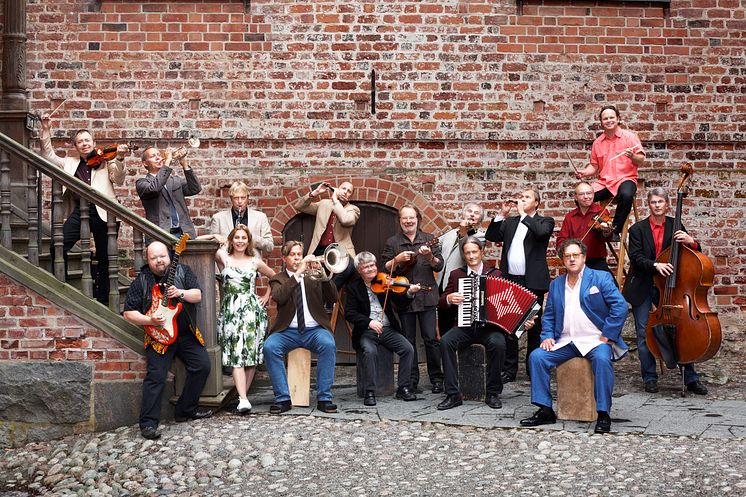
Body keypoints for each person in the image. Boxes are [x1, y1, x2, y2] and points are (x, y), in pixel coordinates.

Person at [520, 239, 628, 434]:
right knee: (537, 357)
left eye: (575, 255)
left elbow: (619, 307)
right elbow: (550, 314)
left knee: (603, 360)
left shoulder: (600, 278)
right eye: (567, 256)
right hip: (566, 342)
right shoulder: (556, 284)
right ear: (563, 260)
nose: (571, 259)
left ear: (583, 257)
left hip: (595, 340)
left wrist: (608, 335)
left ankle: (603, 413)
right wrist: (546, 336)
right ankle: (545, 409)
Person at [622, 188, 708, 396]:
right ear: (649, 205)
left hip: (672, 288)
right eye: (653, 202)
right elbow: (636, 258)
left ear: (667, 204)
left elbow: (694, 254)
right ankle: (649, 377)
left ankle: (691, 378)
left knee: (681, 331)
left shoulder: (676, 226)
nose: (657, 205)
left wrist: (691, 241)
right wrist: (655, 265)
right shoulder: (637, 230)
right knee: (644, 334)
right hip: (644, 285)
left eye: (661, 201)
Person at [123, 241, 212, 440]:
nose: (159, 261)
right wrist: (150, 320)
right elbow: (128, 313)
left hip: (185, 334)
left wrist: (180, 293)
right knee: (156, 376)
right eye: (154, 258)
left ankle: (185, 410)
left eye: (162, 256)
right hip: (159, 337)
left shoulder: (183, 271)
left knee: (203, 366)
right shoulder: (142, 281)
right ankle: (148, 424)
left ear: (169, 255)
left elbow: (197, 295)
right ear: (148, 260)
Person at [39, 114, 129, 304]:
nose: (84, 144)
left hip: (104, 212)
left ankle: (104, 298)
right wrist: (46, 128)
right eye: (80, 142)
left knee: (105, 258)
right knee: (58, 245)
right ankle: (60, 284)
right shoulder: (70, 163)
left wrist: (119, 157)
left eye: (87, 140)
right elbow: (47, 154)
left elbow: (119, 179)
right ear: (76, 146)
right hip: (81, 211)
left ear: (93, 142)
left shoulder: (107, 161)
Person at [485, 189, 554, 382]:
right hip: (510, 279)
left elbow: (541, 234)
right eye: (521, 198)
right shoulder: (511, 222)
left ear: (537, 203)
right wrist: (502, 214)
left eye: (527, 198)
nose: (522, 200)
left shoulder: (544, 221)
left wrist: (524, 214)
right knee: (510, 325)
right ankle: (509, 369)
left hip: (532, 281)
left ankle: (533, 367)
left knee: (534, 326)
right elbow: (491, 236)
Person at [263, 241, 339, 414]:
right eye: (293, 254)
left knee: (328, 345)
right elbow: (279, 297)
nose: (297, 257)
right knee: (269, 347)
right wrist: (297, 274)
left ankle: (324, 398)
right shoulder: (278, 279)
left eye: (299, 254)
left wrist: (323, 276)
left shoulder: (314, 276)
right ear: (284, 258)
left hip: (314, 330)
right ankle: (283, 399)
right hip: (287, 332)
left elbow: (333, 297)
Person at [436, 236, 507, 410]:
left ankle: (492, 392)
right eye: (467, 253)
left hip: (489, 328)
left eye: (474, 252)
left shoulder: (495, 274)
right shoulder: (456, 274)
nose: (471, 256)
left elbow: (505, 301)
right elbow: (441, 301)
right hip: (465, 326)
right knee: (446, 342)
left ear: (481, 252)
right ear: (464, 254)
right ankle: (453, 394)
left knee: (499, 343)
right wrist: (450, 299)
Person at [381, 204, 445, 394]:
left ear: (418, 219)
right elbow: (385, 268)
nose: (408, 221)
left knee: (431, 339)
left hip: (427, 296)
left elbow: (438, 266)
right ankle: (411, 380)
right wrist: (398, 259)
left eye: (412, 218)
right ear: (400, 221)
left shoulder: (429, 239)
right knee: (408, 340)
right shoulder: (392, 242)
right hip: (404, 297)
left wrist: (430, 256)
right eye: (404, 218)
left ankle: (437, 379)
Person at [344, 251, 419, 406]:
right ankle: (369, 391)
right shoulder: (354, 287)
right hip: (367, 331)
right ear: (359, 270)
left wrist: (409, 293)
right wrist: (369, 322)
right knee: (370, 351)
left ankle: (403, 387)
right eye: (366, 267)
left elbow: (401, 304)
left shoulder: (384, 281)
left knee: (407, 349)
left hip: (387, 329)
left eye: (372, 265)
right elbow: (349, 313)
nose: (371, 269)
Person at [215, 225, 275, 414]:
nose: (240, 241)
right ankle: (242, 398)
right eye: (237, 237)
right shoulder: (223, 257)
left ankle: (243, 397)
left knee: (250, 357)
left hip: (251, 311)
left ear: (249, 241)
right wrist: (216, 235)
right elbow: (204, 241)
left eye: (244, 238)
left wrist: (266, 297)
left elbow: (275, 277)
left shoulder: (255, 262)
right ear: (231, 240)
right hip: (231, 311)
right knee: (236, 355)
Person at [575, 105, 645, 235]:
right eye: (605, 118)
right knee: (582, 196)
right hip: (605, 182)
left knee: (626, 195)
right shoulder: (598, 142)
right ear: (601, 122)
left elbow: (641, 159)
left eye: (612, 117)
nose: (609, 120)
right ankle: (598, 225)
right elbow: (594, 166)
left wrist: (632, 156)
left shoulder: (629, 137)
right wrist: (584, 173)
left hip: (626, 179)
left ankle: (614, 230)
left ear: (618, 119)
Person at [292, 181, 359, 288]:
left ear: (351, 195)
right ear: (338, 189)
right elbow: (300, 206)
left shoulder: (353, 210)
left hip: (341, 250)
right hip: (320, 249)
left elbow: (346, 220)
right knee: (309, 276)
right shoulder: (324, 204)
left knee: (351, 267)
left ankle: (330, 296)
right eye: (343, 188)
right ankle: (322, 297)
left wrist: (335, 200)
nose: (345, 192)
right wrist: (315, 192)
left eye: (349, 191)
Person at [136, 146, 202, 239]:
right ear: (145, 163)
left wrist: (184, 164)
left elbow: (195, 189)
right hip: (160, 234)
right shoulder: (142, 183)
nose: (158, 157)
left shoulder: (175, 180)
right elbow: (155, 188)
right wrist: (167, 162)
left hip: (183, 233)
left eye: (159, 155)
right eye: (153, 156)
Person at [206, 181, 273, 257]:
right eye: (236, 198)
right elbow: (211, 247)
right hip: (226, 265)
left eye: (243, 198)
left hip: (252, 266)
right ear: (231, 199)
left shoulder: (260, 217)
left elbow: (270, 247)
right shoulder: (218, 218)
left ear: (248, 198)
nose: (240, 201)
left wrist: (250, 237)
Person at [555, 182, 611, 273]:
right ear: (576, 197)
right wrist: (567, 253)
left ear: (593, 194)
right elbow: (561, 239)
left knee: (610, 285)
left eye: (589, 193)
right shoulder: (570, 216)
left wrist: (606, 231)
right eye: (581, 194)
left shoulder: (601, 212)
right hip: (576, 262)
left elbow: (607, 237)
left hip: (596, 262)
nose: (586, 197)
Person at [436, 202, 486, 293]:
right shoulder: (450, 233)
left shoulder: (481, 237)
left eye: (476, 213)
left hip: (461, 285)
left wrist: (463, 231)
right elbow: (436, 247)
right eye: (469, 211)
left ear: (480, 220)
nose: (472, 214)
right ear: (463, 215)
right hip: (441, 284)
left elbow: (465, 252)